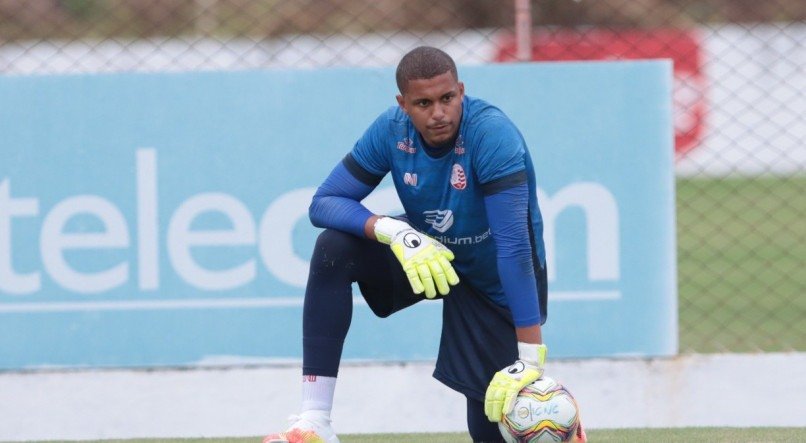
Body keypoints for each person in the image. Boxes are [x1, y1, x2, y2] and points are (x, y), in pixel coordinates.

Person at [265, 46, 584, 443]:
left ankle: (562, 427)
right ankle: (315, 422)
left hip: (494, 275)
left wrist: (530, 358)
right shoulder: (390, 130)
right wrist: (396, 232)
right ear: (403, 105)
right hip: (428, 252)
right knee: (335, 248)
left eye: (447, 98)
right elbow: (324, 203)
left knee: (490, 425)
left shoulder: (492, 135)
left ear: (461, 91)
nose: (439, 113)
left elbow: (514, 248)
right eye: (423, 103)